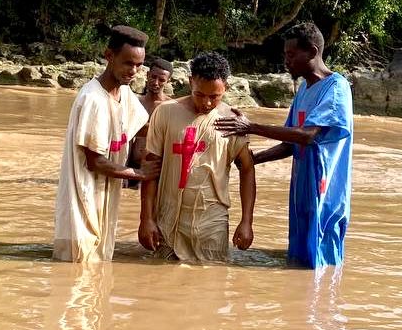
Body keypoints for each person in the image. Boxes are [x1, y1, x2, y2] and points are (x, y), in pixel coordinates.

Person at [215, 22, 352, 268]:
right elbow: (290, 143)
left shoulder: (336, 88)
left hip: (324, 187)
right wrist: (253, 159)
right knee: (299, 258)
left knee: (322, 258)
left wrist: (252, 127)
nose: (286, 61)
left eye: (291, 55)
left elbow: (307, 135)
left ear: (312, 52)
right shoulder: (304, 90)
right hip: (301, 187)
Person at [53, 25, 162, 263]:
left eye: (139, 65)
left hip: (105, 199)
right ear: (109, 56)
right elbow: (95, 162)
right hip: (82, 202)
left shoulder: (123, 94)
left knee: (97, 273)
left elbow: (145, 125)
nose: (133, 71)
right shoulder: (93, 99)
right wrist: (139, 174)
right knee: (76, 270)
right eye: (127, 63)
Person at [138, 51, 256, 263]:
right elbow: (150, 167)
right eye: (200, 94)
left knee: (211, 284)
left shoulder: (232, 121)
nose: (208, 103)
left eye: (215, 96)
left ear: (226, 89)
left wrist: (247, 221)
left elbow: (247, 168)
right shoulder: (165, 112)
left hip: (212, 220)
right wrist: (146, 218)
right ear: (191, 82)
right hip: (168, 218)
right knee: (161, 279)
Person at [124, 58, 174, 189]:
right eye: (153, 77)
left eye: (162, 80)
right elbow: (127, 137)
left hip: (155, 170)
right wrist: (124, 168)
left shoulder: (171, 107)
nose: (156, 82)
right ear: (147, 75)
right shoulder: (135, 102)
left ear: (168, 81)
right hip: (133, 166)